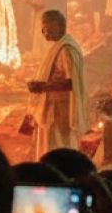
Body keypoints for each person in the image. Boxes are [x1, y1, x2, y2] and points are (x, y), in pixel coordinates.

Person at [25, 10, 87, 160]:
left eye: (45, 26)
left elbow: (71, 82)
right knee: (51, 147)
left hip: (58, 111)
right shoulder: (59, 46)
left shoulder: (66, 50)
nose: (42, 31)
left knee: (57, 148)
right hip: (51, 109)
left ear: (56, 26)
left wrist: (43, 87)